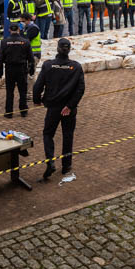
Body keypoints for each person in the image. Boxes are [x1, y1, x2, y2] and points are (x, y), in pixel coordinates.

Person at [33, 38, 85, 180]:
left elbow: (38, 85)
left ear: (57, 49)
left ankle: (50, 161)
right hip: (68, 109)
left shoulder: (48, 65)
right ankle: (66, 165)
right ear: (69, 50)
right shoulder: (76, 67)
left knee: (48, 134)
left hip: (53, 107)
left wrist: (37, 100)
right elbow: (80, 89)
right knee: (68, 135)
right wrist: (70, 106)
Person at [0, 22, 35, 118]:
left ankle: (9, 112)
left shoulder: (4, 42)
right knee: (22, 91)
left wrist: (0, 72)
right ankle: (23, 111)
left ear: (9, 30)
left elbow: (0, 58)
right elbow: (31, 58)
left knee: (9, 91)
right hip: (22, 68)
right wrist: (31, 70)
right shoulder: (25, 42)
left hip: (9, 68)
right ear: (19, 29)